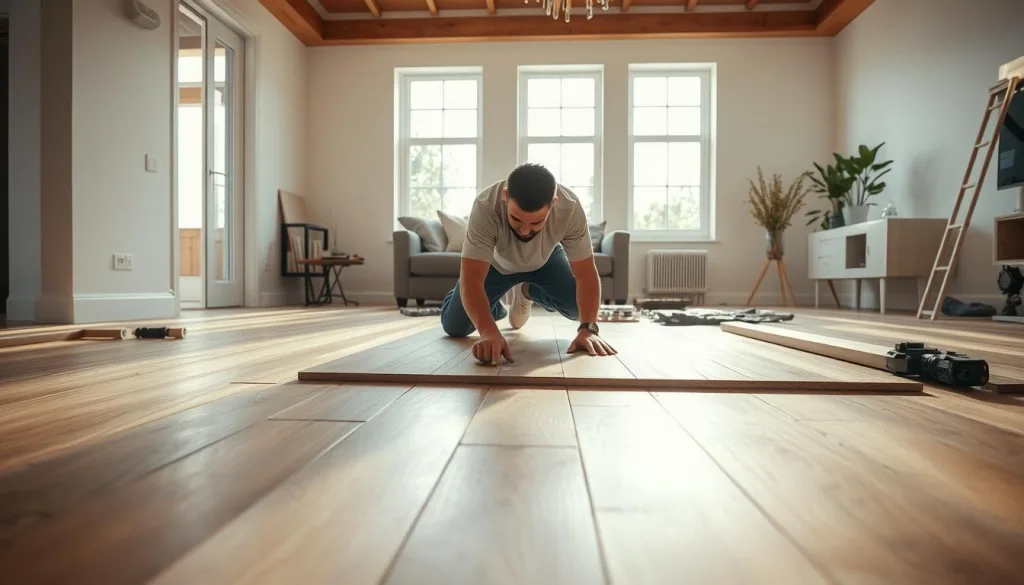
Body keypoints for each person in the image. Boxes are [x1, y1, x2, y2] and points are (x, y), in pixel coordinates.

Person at [440, 163, 617, 365]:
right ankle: (491, 305)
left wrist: (588, 329)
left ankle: (526, 292)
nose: (524, 231)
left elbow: (586, 273)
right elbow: (472, 279)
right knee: (455, 327)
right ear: (505, 196)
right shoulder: (485, 206)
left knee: (579, 309)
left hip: (545, 261)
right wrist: (488, 332)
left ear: (553, 203)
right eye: (516, 219)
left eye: (535, 223)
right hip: (496, 265)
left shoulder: (570, 208)